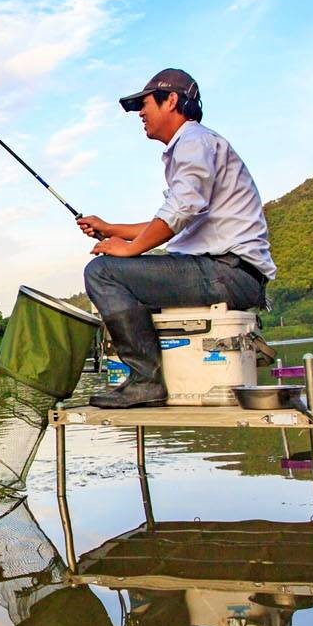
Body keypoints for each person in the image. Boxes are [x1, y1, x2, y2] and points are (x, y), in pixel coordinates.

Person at [77, 68, 276, 409]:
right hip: (228, 273)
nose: (141, 113)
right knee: (119, 273)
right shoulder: (196, 145)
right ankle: (150, 377)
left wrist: (130, 249)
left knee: (102, 272)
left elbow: (178, 211)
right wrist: (111, 229)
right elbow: (176, 218)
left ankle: (145, 381)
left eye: (145, 104)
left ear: (171, 100)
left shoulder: (193, 141)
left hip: (226, 272)